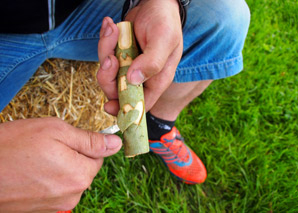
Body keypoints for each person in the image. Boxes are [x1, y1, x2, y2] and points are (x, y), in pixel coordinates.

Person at [0, 0, 250, 212]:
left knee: (227, 17)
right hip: (7, 34)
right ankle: (40, 194)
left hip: (82, 9)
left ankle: (157, 127)